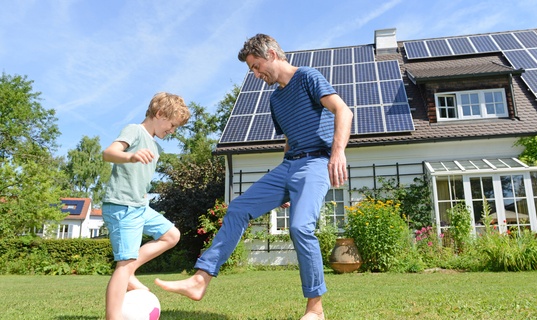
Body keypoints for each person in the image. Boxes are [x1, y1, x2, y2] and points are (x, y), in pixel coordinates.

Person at [155, 33, 353, 320]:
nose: (256, 74)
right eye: (252, 70)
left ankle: (315, 309)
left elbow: (342, 111)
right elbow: (289, 141)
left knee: (300, 228)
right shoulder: (275, 100)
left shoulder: (308, 76)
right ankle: (200, 280)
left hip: (316, 162)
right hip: (290, 166)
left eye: (256, 66)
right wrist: (285, 187)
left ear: (272, 55)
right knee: (238, 208)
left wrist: (337, 152)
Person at [101, 92, 191, 320]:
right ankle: (114, 316)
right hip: (122, 206)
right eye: (172, 125)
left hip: (140, 206)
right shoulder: (135, 130)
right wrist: (130, 157)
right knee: (124, 264)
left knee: (171, 235)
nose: (172, 131)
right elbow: (108, 153)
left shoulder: (156, 148)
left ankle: (129, 271)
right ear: (159, 114)